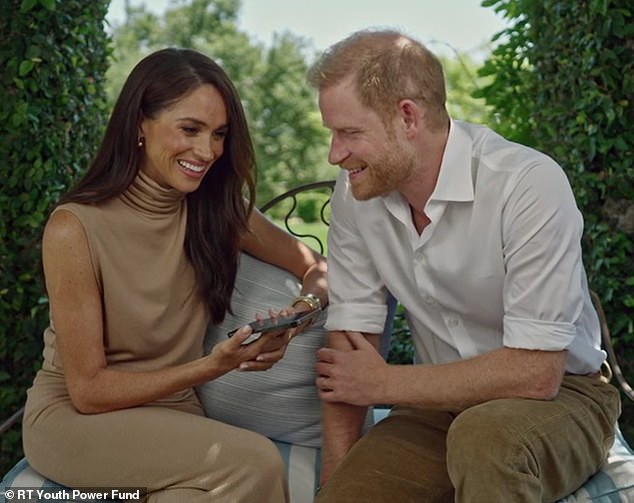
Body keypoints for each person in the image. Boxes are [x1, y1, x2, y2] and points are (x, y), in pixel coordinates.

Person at [307, 29, 621, 502]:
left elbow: (537, 373)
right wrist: (334, 482)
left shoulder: (527, 184)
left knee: (487, 440)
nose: (335, 154)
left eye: (350, 133)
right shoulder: (356, 194)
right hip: (433, 409)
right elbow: (351, 352)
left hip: (565, 397)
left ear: (407, 116)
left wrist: (387, 382)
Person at [22, 47, 327, 503]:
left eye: (219, 134)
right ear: (140, 125)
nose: (207, 152)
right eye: (190, 129)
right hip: (77, 419)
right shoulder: (74, 227)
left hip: (172, 413)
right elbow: (88, 390)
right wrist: (213, 366)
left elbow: (316, 267)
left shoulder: (218, 210)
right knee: (254, 461)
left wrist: (301, 313)